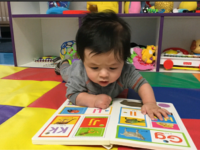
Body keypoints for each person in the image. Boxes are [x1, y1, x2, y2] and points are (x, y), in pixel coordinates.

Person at [55, 10, 170, 120]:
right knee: (65, 73)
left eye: (112, 67)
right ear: (83, 59)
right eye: (94, 67)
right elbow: (72, 94)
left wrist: (150, 103)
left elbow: (142, 84)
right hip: (71, 71)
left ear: (124, 60)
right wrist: (93, 100)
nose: (104, 74)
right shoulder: (79, 72)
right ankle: (63, 63)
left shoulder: (126, 71)